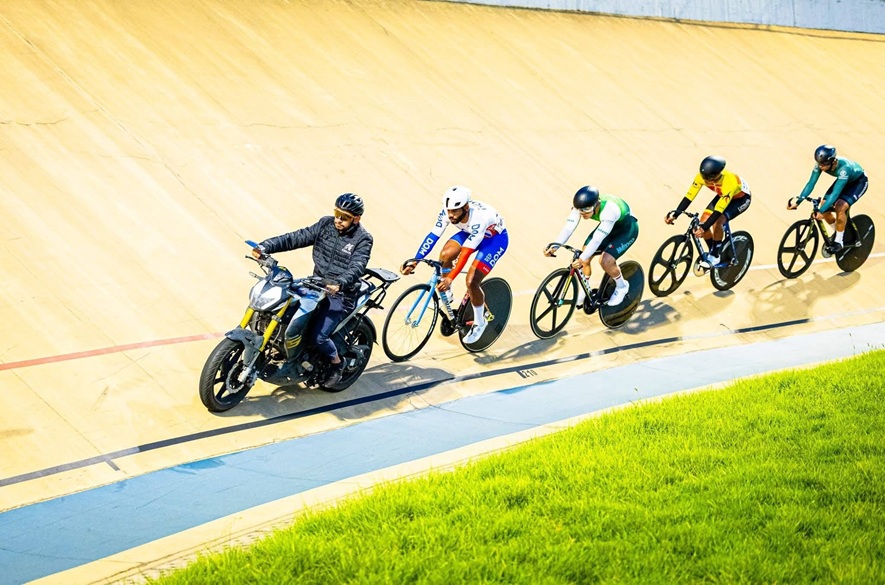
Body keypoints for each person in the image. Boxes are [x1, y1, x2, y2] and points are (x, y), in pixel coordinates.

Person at [252, 193, 373, 386]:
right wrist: (266, 246)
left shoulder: (363, 239)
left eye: (344, 217)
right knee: (284, 310)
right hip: (315, 284)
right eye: (337, 213)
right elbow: (297, 237)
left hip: (341, 293)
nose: (338, 220)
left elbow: (357, 266)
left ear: (356, 219)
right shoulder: (325, 225)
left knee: (319, 335)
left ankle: (336, 363)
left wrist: (340, 282)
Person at [401, 185, 508, 344]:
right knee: (445, 255)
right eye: (448, 211)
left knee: (471, 281)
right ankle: (448, 294)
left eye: (454, 211)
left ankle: (480, 323)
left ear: (466, 207)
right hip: (469, 232)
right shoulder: (448, 212)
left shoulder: (479, 218)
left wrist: (450, 278)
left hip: (494, 240)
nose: (450, 215)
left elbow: (465, 253)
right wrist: (415, 260)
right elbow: (433, 236)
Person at [544, 185, 639, 307]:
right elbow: (568, 228)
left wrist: (581, 259)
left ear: (596, 205)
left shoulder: (610, 211)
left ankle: (622, 286)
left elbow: (596, 240)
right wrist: (555, 246)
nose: (583, 214)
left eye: (587, 210)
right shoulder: (580, 207)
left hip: (626, 230)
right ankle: (585, 290)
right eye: (580, 210)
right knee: (585, 256)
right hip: (607, 227)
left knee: (606, 261)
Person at [665, 155, 752, 269]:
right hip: (723, 195)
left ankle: (715, 256)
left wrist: (704, 228)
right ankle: (715, 249)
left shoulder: (729, 182)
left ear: (717, 175)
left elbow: (718, 210)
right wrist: (675, 214)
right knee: (702, 221)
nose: (705, 180)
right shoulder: (701, 177)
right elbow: (689, 196)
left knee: (718, 221)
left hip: (740, 199)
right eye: (704, 177)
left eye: (708, 178)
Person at [787, 144, 868, 254]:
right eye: (819, 163)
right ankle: (840, 232)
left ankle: (839, 242)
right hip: (844, 180)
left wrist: (821, 211)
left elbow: (835, 193)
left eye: (824, 164)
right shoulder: (820, 164)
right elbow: (811, 183)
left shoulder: (844, 169)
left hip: (858, 182)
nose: (821, 167)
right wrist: (798, 202)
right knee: (824, 205)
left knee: (840, 206)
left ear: (833, 161)